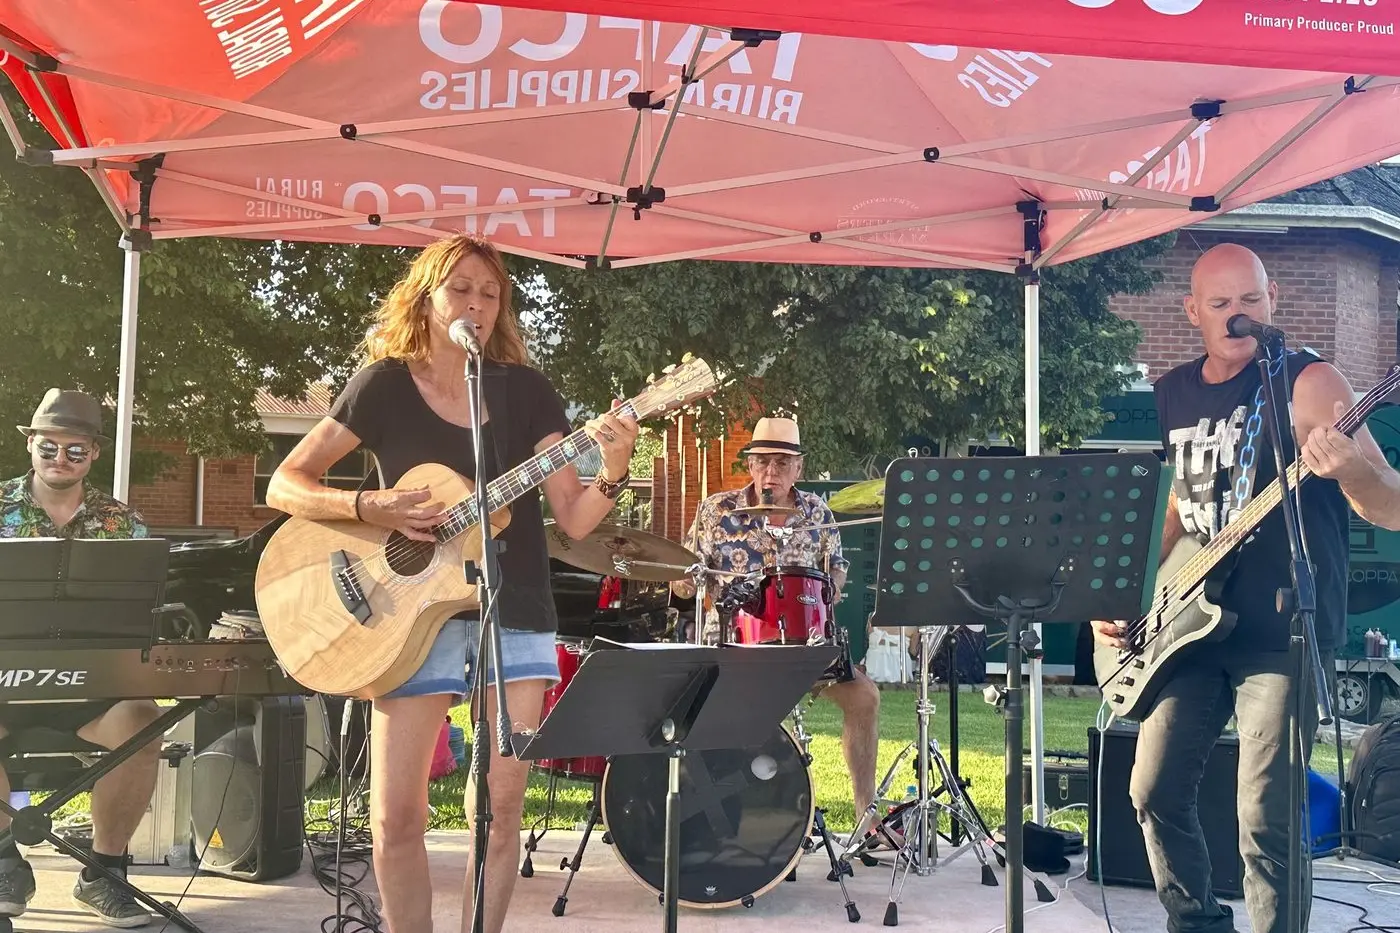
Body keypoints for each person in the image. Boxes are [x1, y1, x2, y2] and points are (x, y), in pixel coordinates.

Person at [265, 234, 638, 933]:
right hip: (401, 612)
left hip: (516, 606)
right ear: (427, 297)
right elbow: (288, 482)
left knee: (501, 810)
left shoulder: (526, 391)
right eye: (461, 288)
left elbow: (575, 518)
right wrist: (368, 506)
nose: (477, 302)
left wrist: (611, 469)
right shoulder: (381, 384)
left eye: (490, 293)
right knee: (394, 814)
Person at [1091, 243, 1400, 933]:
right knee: (1154, 788)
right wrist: (1127, 587)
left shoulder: (1311, 383)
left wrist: (1348, 468)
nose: (1238, 316)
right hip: (1188, 625)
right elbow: (1177, 508)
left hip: (1281, 630)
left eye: (1251, 302)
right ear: (1192, 311)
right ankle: (1197, 921)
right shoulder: (1173, 391)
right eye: (1222, 304)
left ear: (1274, 302)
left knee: (1265, 814)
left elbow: (1391, 504)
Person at [0, 388, 160, 928]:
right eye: (49, 447)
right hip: (4, 685)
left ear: (93, 453)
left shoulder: (124, 523)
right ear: (31, 446)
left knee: (143, 719)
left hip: (91, 689)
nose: (60, 459)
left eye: (75, 449)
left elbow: (147, 609)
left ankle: (104, 874)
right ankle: (3, 863)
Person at [671, 417, 881, 818]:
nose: (771, 472)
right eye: (763, 461)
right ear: (749, 466)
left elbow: (837, 567)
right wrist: (681, 578)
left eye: (782, 463)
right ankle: (721, 812)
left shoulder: (817, 512)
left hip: (806, 649)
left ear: (798, 468)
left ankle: (864, 814)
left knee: (865, 698)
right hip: (733, 648)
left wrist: (831, 586)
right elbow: (684, 580)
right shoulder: (717, 511)